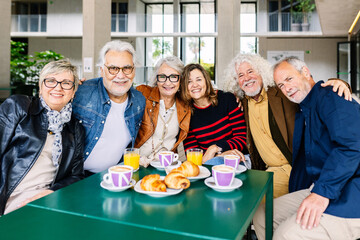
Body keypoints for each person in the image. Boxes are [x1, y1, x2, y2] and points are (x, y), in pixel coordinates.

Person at [253, 57, 360, 240]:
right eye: (280, 85)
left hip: (350, 194)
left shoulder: (331, 96)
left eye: (289, 79)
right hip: (321, 186)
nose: (286, 88)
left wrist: (321, 193)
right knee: (262, 216)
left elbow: (352, 146)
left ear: (305, 72)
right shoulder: (304, 109)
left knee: (285, 235)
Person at [223, 53, 352, 198]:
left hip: (293, 168)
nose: (246, 78)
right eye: (240, 75)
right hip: (265, 170)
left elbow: (308, 88)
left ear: (261, 72)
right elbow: (211, 96)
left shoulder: (280, 91)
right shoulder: (241, 102)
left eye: (250, 71)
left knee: (253, 201)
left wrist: (338, 83)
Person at [0, 60, 85, 215]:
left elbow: (76, 175)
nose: (58, 87)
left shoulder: (75, 128)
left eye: (66, 83)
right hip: (11, 195)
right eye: (51, 81)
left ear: (73, 92)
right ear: (40, 87)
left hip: (47, 197)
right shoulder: (18, 106)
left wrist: (53, 191)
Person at [73, 40, 145, 175]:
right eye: (113, 68)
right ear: (101, 70)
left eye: (127, 68)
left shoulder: (139, 100)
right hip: (77, 177)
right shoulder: (81, 93)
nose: (120, 75)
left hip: (116, 175)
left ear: (134, 70)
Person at [181, 63, 246, 164]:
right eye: (189, 82)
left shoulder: (227, 99)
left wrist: (215, 148)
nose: (195, 85)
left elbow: (242, 138)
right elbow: (192, 153)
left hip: (237, 158)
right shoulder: (187, 115)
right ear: (185, 87)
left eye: (199, 79)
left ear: (206, 81)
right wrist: (217, 155)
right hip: (208, 163)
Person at [135, 56, 191, 167]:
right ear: (156, 79)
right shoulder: (143, 93)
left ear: (181, 79)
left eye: (173, 77)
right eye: (162, 77)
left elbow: (204, 96)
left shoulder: (185, 104)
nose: (167, 82)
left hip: (166, 165)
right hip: (138, 163)